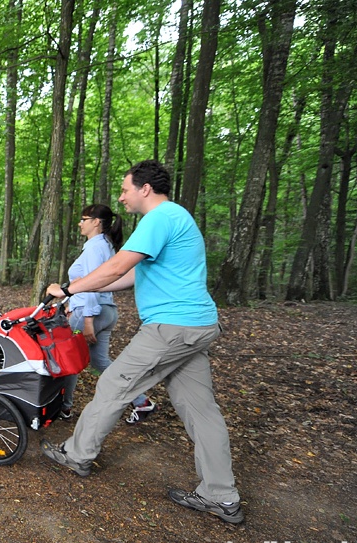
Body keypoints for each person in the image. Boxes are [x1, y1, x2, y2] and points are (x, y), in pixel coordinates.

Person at [41, 160, 243, 524]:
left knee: (114, 383)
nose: (121, 197)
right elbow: (129, 276)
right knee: (199, 408)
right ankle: (221, 494)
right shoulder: (176, 217)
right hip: (196, 326)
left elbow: (117, 266)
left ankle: (77, 454)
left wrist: (68, 288)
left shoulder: (159, 218)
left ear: (145, 188)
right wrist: (85, 290)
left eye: (125, 189)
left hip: (172, 327)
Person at [58, 204, 155, 424]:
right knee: (100, 362)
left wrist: (88, 320)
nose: (80, 223)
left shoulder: (94, 247)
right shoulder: (106, 245)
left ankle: (64, 407)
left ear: (96, 222)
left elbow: (92, 283)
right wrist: (72, 304)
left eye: (83, 219)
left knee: (69, 359)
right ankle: (141, 402)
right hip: (108, 311)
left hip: (91, 313)